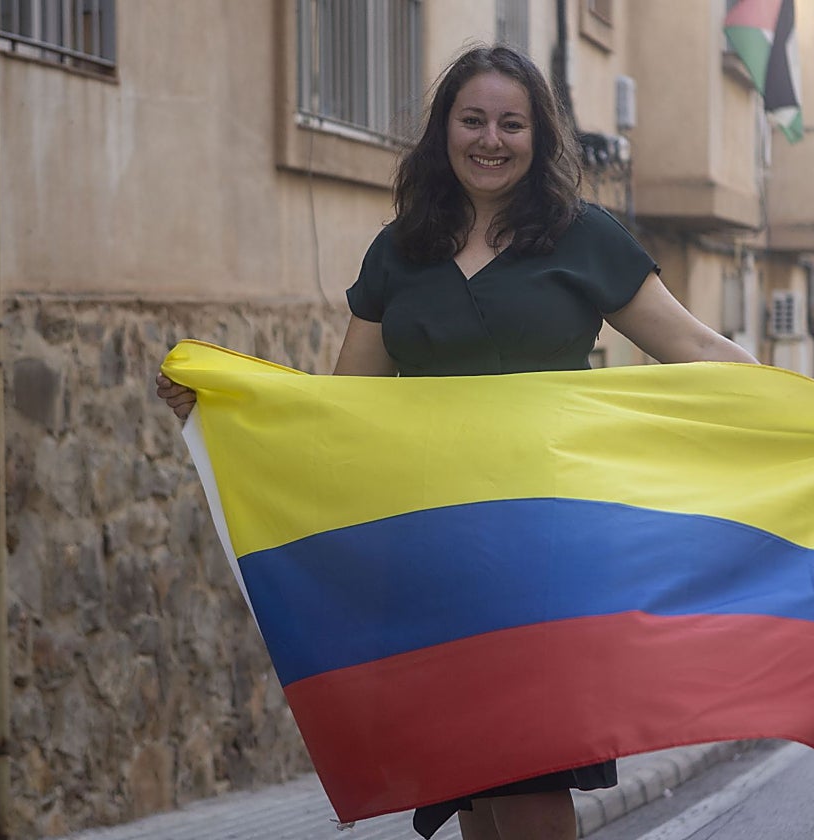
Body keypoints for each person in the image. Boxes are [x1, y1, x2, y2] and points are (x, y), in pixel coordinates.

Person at [157, 44, 758, 840]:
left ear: (540, 137)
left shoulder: (584, 237)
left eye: (512, 124)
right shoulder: (399, 251)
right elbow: (345, 407)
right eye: (473, 120)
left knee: (529, 771)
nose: (491, 140)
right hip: (432, 547)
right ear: (444, 129)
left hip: (542, 547)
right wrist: (224, 408)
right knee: (473, 779)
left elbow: (698, 347)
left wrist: (800, 409)